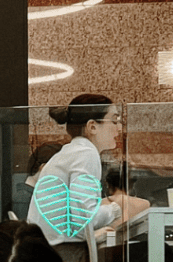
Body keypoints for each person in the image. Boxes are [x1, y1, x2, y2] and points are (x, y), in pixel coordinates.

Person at [27, 95, 122, 246]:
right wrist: (118, 208)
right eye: (114, 120)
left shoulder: (73, 151)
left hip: (44, 250)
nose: (119, 128)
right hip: (61, 255)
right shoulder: (85, 153)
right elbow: (84, 221)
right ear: (92, 127)